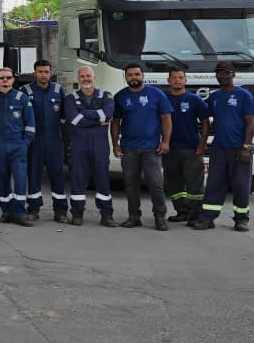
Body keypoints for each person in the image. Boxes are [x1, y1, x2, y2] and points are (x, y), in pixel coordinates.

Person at [192, 62, 254, 232]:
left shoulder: (244, 95)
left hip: (239, 148)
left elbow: (250, 124)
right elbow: (204, 118)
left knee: (241, 185)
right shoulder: (214, 97)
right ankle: (207, 218)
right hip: (219, 148)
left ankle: (241, 219)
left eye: (226, 73)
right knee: (214, 184)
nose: (222, 76)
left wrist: (246, 147)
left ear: (233, 74)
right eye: (219, 73)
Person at [110, 63, 173, 231]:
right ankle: (133, 216)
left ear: (142, 75)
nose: (133, 77)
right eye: (130, 75)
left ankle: (160, 217)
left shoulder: (156, 94)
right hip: (129, 148)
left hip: (151, 148)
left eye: (136, 74)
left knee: (155, 184)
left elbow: (166, 118)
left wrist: (166, 141)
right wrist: (115, 144)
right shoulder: (120, 97)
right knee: (131, 184)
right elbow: (115, 122)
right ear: (125, 77)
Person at [65, 66, 116, 227]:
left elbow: (107, 114)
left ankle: (106, 214)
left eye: (88, 76)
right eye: (82, 76)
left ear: (94, 77)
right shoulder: (70, 99)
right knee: (78, 178)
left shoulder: (106, 95)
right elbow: (74, 120)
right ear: (78, 79)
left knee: (102, 178)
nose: (86, 79)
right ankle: (77, 213)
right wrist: (97, 117)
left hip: (100, 144)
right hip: (79, 143)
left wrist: (85, 114)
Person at [0, 67, 36, 226]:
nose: (5, 81)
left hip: (18, 146)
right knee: (2, 179)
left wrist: (25, 143)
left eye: (8, 78)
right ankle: (6, 211)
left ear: (13, 80)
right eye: (2, 78)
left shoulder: (22, 98)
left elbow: (30, 124)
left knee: (20, 179)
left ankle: (20, 212)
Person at [21, 60, 69, 222]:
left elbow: (65, 117)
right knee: (34, 175)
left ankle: (60, 211)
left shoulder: (59, 90)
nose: (43, 74)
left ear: (50, 73)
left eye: (46, 71)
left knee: (57, 176)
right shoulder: (25, 91)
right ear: (35, 73)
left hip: (55, 141)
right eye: (40, 71)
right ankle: (33, 209)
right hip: (34, 142)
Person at [164, 68, 209, 224]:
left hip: (191, 148)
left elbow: (205, 122)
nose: (177, 80)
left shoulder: (194, 100)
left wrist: (202, 144)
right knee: (173, 183)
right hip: (169, 149)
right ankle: (181, 211)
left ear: (185, 80)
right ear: (168, 81)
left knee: (194, 184)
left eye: (180, 77)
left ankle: (195, 214)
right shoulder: (163, 99)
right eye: (174, 77)